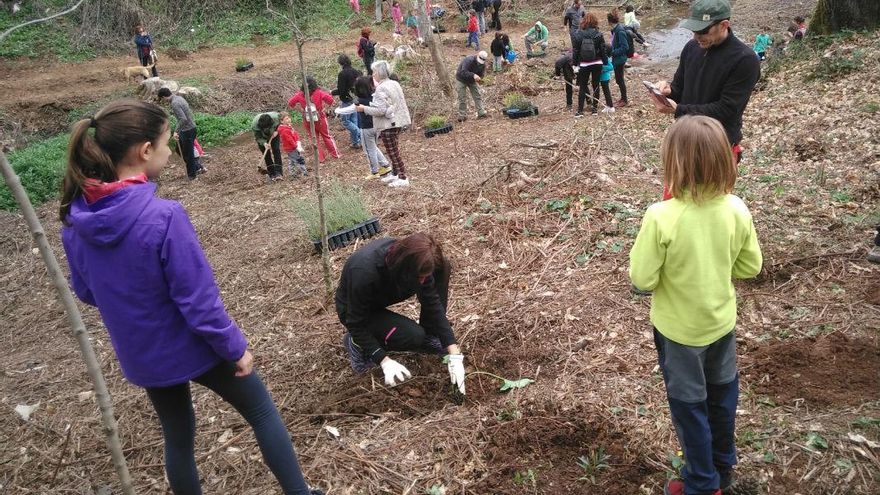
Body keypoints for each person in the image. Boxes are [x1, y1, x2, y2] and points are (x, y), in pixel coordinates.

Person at [59, 100, 324, 495]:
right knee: (261, 412)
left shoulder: (74, 221)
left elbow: (86, 291)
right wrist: (234, 348)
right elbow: (199, 304)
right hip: (195, 345)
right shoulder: (164, 216)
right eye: (167, 142)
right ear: (144, 151)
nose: (171, 151)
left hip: (143, 352)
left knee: (178, 437)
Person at [630, 115, 763, 495]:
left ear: (673, 164)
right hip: (721, 325)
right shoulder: (736, 208)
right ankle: (722, 468)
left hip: (680, 335)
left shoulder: (661, 217)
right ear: (725, 158)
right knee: (722, 397)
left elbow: (642, 279)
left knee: (690, 408)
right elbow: (750, 267)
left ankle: (703, 485)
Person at [335, 233, 466, 395]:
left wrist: (453, 352)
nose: (423, 281)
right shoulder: (364, 271)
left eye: (424, 277)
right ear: (406, 268)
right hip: (354, 312)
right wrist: (384, 360)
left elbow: (432, 302)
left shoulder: (413, 264)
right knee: (413, 336)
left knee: (442, 266)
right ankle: (355, 343)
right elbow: (354, 322)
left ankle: (429, 337)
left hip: (380, 297)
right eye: (420, 277)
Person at [651, 0, 760, 167]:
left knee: (712, 186)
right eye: (694, 30)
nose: (696, 37)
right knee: (679, 185)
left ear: (724, 25)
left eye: (702, 31)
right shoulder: (691, 47)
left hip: (716, 145)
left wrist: (679, 109)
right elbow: (679, 88)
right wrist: (668, 91)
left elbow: (727, 109)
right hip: (685, 137)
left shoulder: (745, 59)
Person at [356, 60, 412, 187]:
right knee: (393, 149)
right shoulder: (394, 83)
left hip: (388, 124)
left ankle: (403, 177)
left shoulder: (381, 88)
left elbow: (380, 110)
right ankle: (395, 173)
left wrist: (364, 109)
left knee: (393, 151)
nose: (373, 75)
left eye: (374, 72)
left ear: (380, 73)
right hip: (398, 121)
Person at [288, 77, 341, 163]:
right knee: (326, 136)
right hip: (320, 118)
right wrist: (325, 109)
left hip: (307, 119)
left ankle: (320, 158)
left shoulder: (299, 94)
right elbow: (331, 101)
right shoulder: (319, 92)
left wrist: (301, 110)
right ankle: (335, 155)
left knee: (314, 139)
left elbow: (290, 103)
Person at [349, 75, 392, 180]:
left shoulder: (359, 101)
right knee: (373, 147)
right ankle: (385, 165)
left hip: (366, 128)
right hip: (376, 126)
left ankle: (374, 171)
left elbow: (350, 108)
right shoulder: (374, 97)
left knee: (369, 150)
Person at [157, 88, 203, 181]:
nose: (163, 101)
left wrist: (176, 131)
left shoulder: (174, 103)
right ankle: (197, 167)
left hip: (188, 130)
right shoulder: (179, 98)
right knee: (179, 149)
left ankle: (192, 175)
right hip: (187, 129)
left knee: (188, 153)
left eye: (162, 99)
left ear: (164, 97)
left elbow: (183, 119)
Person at [571, 13, 607, 117]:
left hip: (584, 64)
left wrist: (575, 64)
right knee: (596, 85)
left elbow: (576, 51)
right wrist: (605, 62)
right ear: (595, 21)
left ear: (584, 21)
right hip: (597, 63)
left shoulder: (578, 34)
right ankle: (594, 110)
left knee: (583, 86)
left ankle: (580, 111)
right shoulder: (598, 34)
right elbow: (603, 49)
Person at [331, 54, 363, 150]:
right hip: (355, 99)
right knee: (354, 120)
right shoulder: (356, 71)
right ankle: (356, 142)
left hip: (347, 100)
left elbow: (341, 90)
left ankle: (361, 135)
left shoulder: (342, 74)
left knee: (345, 121)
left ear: (340, 63)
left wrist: (332, 92)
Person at [455, 51, 488, 122]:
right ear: (477, 55)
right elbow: (463, 72)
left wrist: (479, 79)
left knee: (477, 95)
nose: (480, 63)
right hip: (461, 79)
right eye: (479, 60)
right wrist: (473, 75)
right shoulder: (468, 60)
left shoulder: (483, 65)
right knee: (462, 97)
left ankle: (481, 112)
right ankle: (462, 115)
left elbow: (481, 74)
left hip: (472, 80)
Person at [607, 9, 630, 108]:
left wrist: (612, 52)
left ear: (609, 21)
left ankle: (624, 100)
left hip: (620, 59)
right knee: (618, 79)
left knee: (620, 80)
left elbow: (625, 47)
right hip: (617, 58)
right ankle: (623, 98)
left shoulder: (620, 31)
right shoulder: (615, 30)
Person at [252, 112, 284, 181]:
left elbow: (282, 123)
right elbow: (258, 137)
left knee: (276, 150)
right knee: (266, 154)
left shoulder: (276, 117)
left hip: (274, 134)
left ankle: (279, 173)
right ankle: (272, 173)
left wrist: (277, 131)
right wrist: (264, 143)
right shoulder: (255, 125)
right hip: (262, 137)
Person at [278, 113, 307, 178]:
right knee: (299, 160)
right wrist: (296, 146)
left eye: (289, 118)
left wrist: (298, 141)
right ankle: (304, 173)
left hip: (294, 146)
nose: (289, 119)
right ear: (281, 121)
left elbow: (295, 134)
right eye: (286, 119)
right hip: (291, 148)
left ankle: (292, 174)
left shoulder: (289, 127)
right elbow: (289, 140)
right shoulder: (284, 130)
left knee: (292, 161)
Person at [598, 46, 615, 113]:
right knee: (605, 92)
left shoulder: (606, 58)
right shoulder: (603, 57)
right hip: (602, 78)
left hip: (605, 78)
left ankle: (611, 107)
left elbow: (611, 67)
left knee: (606, 92)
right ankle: (608, 106)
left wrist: (602, 68)